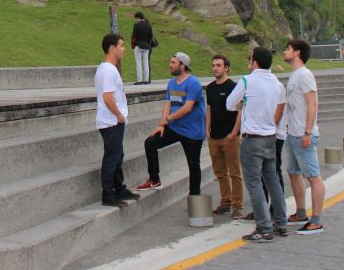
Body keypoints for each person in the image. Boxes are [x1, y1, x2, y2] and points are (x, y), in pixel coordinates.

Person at [226, 47, 288, 242]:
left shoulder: (247, 80)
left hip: (252, 139)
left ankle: (263, 227)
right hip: (271, 137)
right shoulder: (277, 84)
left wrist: (242, 103)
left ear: (255, 62)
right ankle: (281, 222)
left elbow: (229, 104)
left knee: (254, 183)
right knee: (273, 181)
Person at [136, 52, 205, 196]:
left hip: (192, 132)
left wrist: (168, 119)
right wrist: (162, 124)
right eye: (170, 62)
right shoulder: (172, 83)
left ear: (183, 65)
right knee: (150, 143)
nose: (170, 65)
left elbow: (188, 107)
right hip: (175, 127)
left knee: (193, 166)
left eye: (173, 62)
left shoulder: (193, 83)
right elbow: (168, 103)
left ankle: (195, 199)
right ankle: (154, 179)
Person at [283, 38, 326, 234]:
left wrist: (307, 132)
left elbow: (312, 104)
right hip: (292, 134)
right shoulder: (294, 75)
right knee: (293, 172)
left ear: (297, 52)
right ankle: (301, 211)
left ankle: (316, 220)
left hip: (303, 134)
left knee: (313, 176)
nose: (284, 52)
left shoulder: (305, 75)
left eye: (288, 49)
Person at [95, 33, 140, 207]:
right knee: (112, 157)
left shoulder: (108, 69)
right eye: (121, 45)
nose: (124, 49)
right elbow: (107, 98)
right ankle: (108, 194)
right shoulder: (107, 70)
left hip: (113, 120)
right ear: (112, 48)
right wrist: (119, 115)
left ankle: (119, 188)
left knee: (118, 155)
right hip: (111, 121)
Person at [205, 55, 243, 219]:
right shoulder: (211, 87)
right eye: (213, 65)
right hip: (214, 136)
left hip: (230, 136)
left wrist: (234, 132)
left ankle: (237, 204)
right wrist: (207, 128)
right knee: (220, 172)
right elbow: (209, 109)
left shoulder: (234, 86)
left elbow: (240, 110)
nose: (215, 68)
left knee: (234, 172)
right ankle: (225, 201)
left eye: (219, 65)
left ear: (226, 68)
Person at [130, 12, 154, 84]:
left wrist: (133, 45)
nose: (136, 20)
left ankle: (139, 80)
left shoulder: (136, 25)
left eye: (136, 19)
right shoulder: (148, 25)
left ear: (138, 17)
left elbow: (134, 36)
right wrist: (148, 44)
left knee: (139, 63)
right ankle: (146, 80)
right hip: (146, 46)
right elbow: (151, 37)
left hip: (138, 46)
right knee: (146, 63)